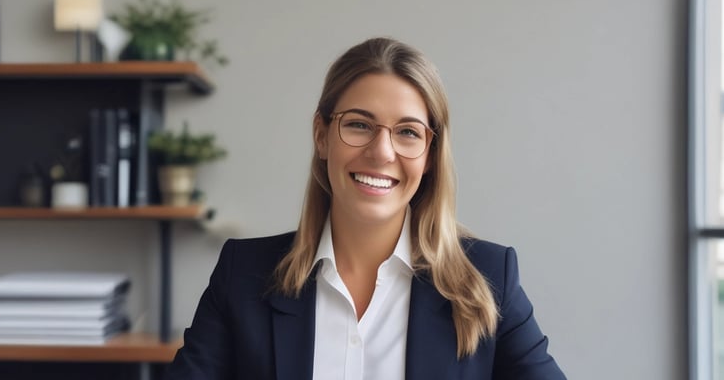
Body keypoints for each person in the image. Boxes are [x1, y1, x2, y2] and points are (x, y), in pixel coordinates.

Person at [165, 37, 566, 380]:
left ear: (430, 155)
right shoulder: (243, 275)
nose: (381, 152)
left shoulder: (490, 280)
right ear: (322, 136)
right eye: (358, 124)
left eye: (408, 132)